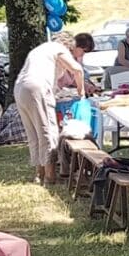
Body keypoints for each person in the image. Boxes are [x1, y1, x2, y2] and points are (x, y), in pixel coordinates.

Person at [15, 32, 96, 184]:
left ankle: (39, 173)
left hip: (20, 89)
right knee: (48, 132)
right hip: (37, 88)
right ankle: (50, 176)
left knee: (34, 133)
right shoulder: (59, 49)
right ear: (69, 45)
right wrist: (82, 92)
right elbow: (77, 70)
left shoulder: (41, 49)